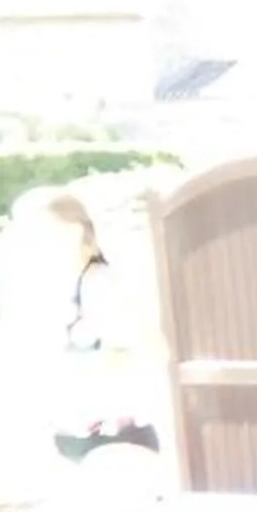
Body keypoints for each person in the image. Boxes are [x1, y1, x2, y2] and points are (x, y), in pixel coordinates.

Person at [40, 191, 158, 463]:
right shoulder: (63, 285)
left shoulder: (102, 283)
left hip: (113, 440)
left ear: (72, 232)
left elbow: (145, 344)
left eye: (40, 236)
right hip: (76, 436)